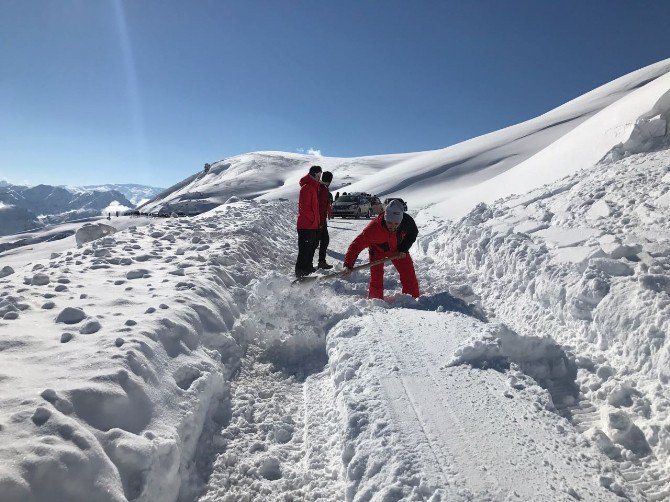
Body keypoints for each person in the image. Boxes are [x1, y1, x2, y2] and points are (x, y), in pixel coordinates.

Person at [343, 199, 419, 299]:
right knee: (376, 276)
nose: (393, 226)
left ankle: (412, 298)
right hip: (378, 250)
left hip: (398, 249)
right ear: (385, 219)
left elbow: (413, 233)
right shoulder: (373, 229)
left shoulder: (406, 221)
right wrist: (348, 265)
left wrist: (403, 249)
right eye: (390, 223)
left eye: (396, 224)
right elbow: (356, 245)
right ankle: (376, 300)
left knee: (408, 273)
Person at [295, 165, 322, 277]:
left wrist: (317, 222)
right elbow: (305, 208)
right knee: (304, 251)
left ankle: (307, 270)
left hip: (312, 225)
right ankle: (300, 273)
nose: (320, 177)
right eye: (319, 175)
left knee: (310, 248)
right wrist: (313, 220)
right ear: (314, 174)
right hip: (306, 225)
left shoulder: (314, 187)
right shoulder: (307, 188)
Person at [317, 171, 334, 269]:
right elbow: (321, 206)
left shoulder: (323, 188)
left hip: (321, 219)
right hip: (320, 220)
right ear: (330, 180)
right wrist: (320, 221)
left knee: (323, 240)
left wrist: (328, 211)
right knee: (321, 241)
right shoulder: (323, 189)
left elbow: (325, 204)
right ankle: (320, 262)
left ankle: (321, 262)